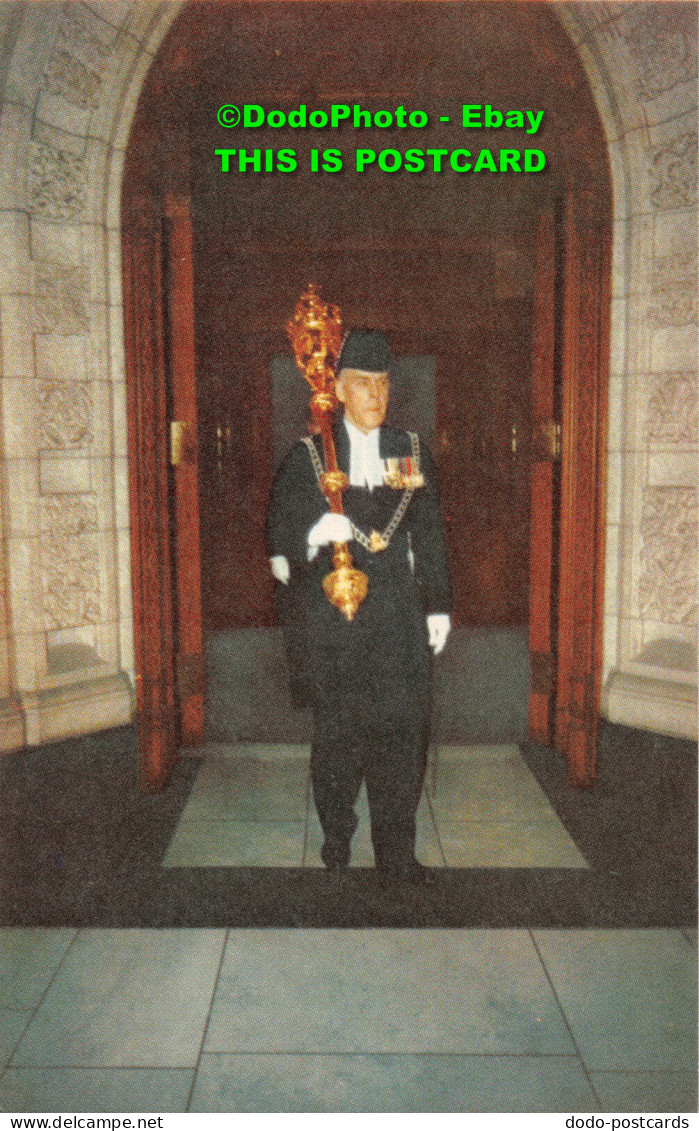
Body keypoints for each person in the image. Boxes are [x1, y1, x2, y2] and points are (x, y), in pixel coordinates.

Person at [267, 329, 451, 883]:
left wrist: (438, 606)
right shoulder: (309, 456)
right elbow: (279, 543)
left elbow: (430, 535)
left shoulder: (410, 450)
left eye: (384, 384)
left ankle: (396, 853)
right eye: (364, 385)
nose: (377, 396)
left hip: (398, 616)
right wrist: (313, 534)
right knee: (340, 740)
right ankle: (337, 845)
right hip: (338, 621)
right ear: (339, 392)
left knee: (404, 738)